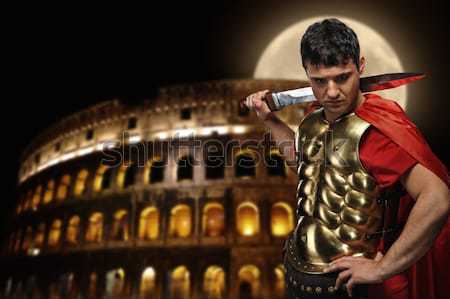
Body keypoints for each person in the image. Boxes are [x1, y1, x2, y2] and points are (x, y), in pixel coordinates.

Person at [244, 18, 449, 299]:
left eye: (342, 77)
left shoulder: (378, 132)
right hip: (299, 272)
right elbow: (306, 166)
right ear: (307, 74)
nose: (331, 92)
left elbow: (437, 198)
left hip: (355, 286)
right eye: (319, 80)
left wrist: (383, 268)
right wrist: (269, 120)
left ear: (361, 66)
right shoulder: (312, 121)